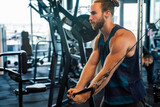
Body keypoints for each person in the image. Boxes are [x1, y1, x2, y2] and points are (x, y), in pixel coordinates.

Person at [67, 0, 146, 107]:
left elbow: (106, 72)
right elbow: (91, 65)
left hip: (130, 99)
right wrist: (79, 88)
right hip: (110, 97)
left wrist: (86, 95)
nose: (90, 18)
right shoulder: (99, 38)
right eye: (90, 13)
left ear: (107, 13)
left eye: (93, 13)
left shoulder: (121, 37)